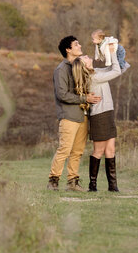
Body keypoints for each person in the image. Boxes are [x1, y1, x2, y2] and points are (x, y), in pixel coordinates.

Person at [47, 36, 101, 191]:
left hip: (83, 115)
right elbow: (62, 95)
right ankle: (53, 181)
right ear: (68, 49)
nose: (80, 45)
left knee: (77, 152)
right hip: (69, 116)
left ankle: (72, 183)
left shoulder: (80, 66)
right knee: (64, 150)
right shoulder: (61, 70)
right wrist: (85, 98)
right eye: (76, 44)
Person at [72, 44, 124, 192]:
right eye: (85, 58)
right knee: (99, 151)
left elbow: (114, 67)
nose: (88, 57)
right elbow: (116, 71)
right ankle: (92, 185)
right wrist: (112, 53)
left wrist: (107, 50)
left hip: (107, 113)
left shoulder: (96, 72)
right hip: (99, 116)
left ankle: (112, 186)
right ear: (84, 66)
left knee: (111, 150)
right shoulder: (94, 77)